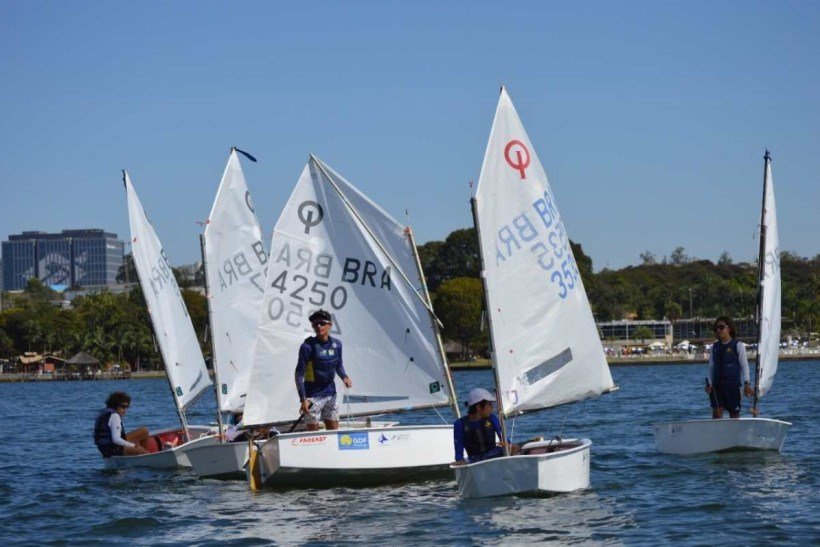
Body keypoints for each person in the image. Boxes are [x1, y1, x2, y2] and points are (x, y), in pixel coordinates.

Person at [294, 309, 353, 431]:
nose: (318, 326)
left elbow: (339, 366)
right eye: (315, 324)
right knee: (313, 436)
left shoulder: (337, 344)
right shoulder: (307, 347)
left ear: (329, 325)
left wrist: (344, 377)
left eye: (322, 323)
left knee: (333, 433)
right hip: (312, 396)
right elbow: (299, 374)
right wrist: (303, 399)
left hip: (331, 394)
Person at [705, 316, 754, 419]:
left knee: (734, 415)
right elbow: (711, 367)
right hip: (717, 387)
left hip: (733, 386)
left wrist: (747, 383)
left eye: (721, 327)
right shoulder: (714, 347)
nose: (718, 330)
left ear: (729, 328)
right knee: (717, 416)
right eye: (716, 328)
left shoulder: (738, 345)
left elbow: (744, 365)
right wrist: (709, 383)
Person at [452, 387, 517, 465]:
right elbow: (459, 454)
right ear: (478, 407)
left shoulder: (492, 418)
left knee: (516, 448)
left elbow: (505, 441)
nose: (492, 408)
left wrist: (510, 447)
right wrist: (460, 462)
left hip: (494, 455)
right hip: (475, 460)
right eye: (489, 404)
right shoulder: (460, 424)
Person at [93, 391, 149, 457]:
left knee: (144, 431)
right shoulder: (115, 416)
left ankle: (139, 455)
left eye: (127, 407)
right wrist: (133, 446)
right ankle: (144, 455)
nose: (125, 410)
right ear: (115, 405)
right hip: (112, 449)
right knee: (143, 451)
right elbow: (116, 440)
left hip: (105, 447)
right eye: (123, 406)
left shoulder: (104, 412)